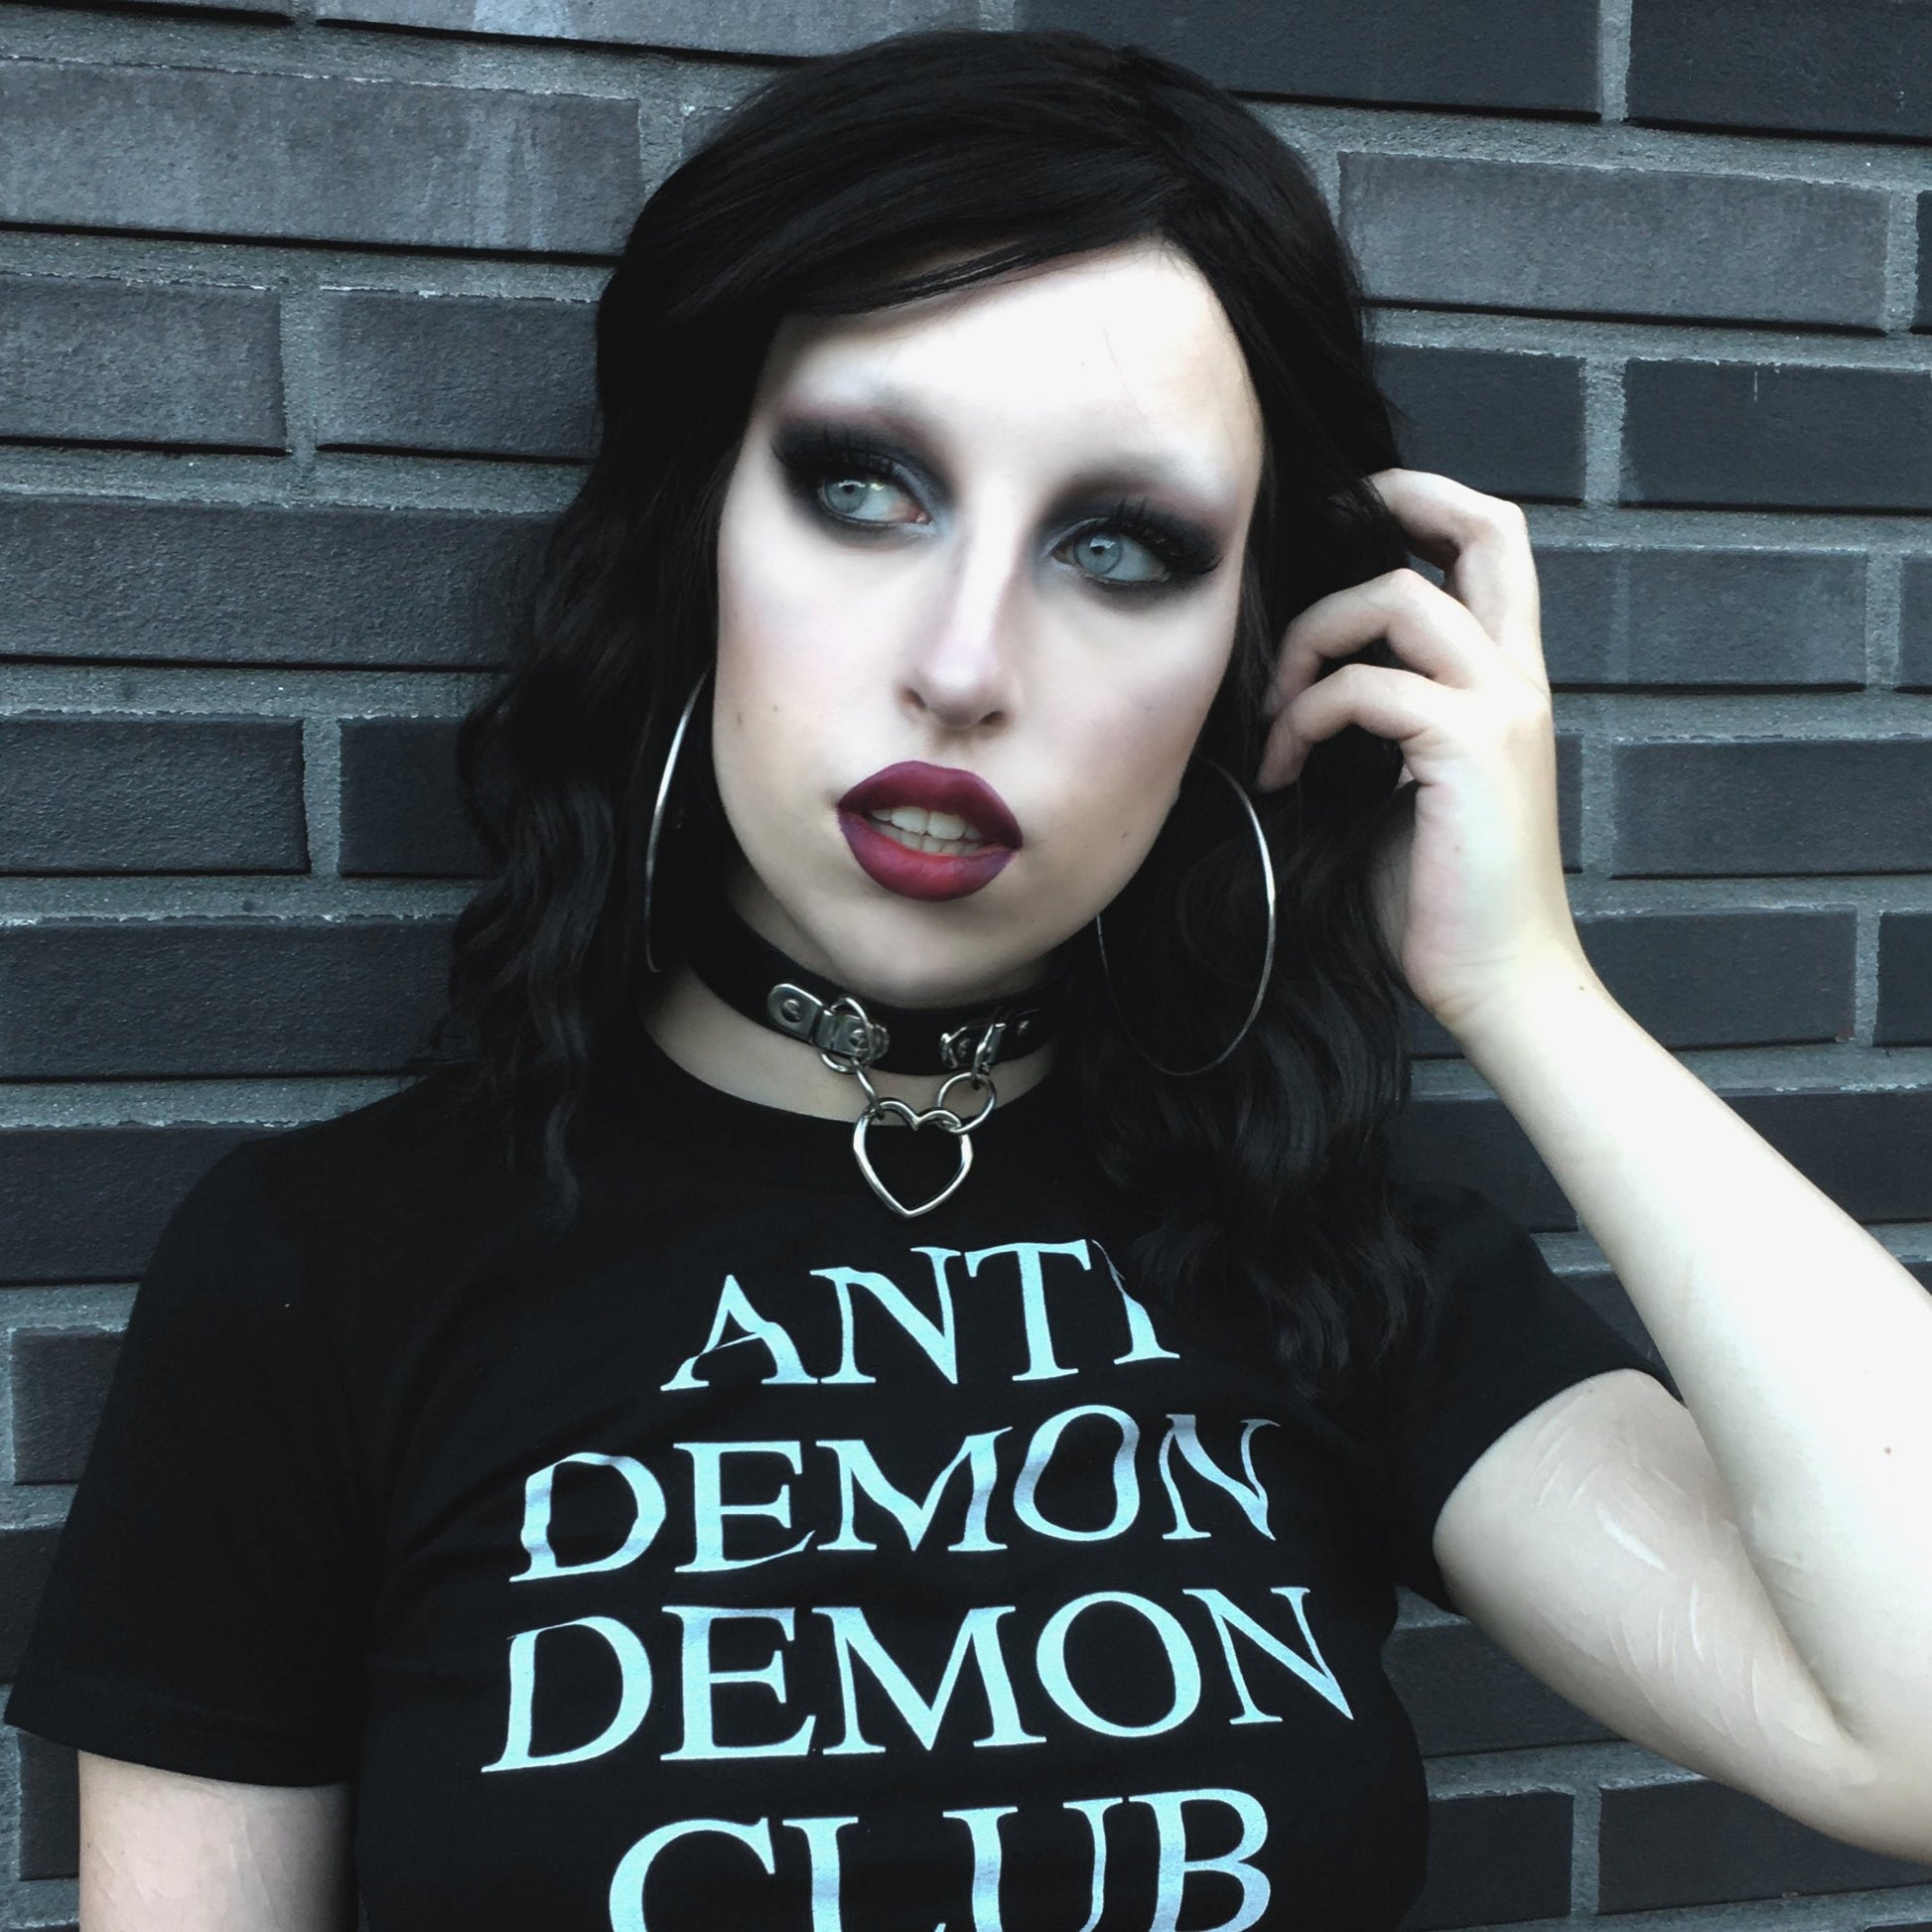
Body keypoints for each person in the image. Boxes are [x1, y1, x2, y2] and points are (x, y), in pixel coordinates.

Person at [11, 25, 1932, 1932]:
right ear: (696, 535)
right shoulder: (325, 1273)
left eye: (1120, 545)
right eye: (864, 487)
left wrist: (1521, 981)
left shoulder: (1331, 1270)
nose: (960, 662)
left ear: (1252, 655)